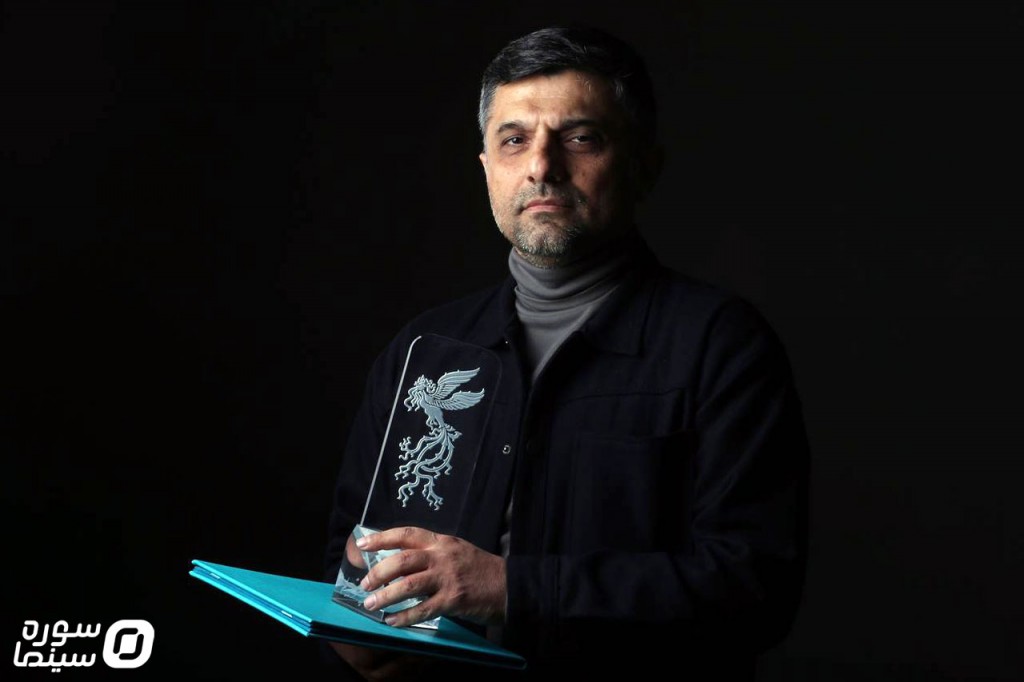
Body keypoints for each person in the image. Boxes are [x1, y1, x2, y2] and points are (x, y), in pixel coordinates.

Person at [323, 25, 809, 681]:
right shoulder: (425, 351)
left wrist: (511, 588)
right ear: (486, 168)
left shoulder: (721, 347)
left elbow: (755, 589)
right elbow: (349, 559)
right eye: (514, 139)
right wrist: (354, 622)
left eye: (580, 138)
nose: (541, 167)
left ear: (643, 165)